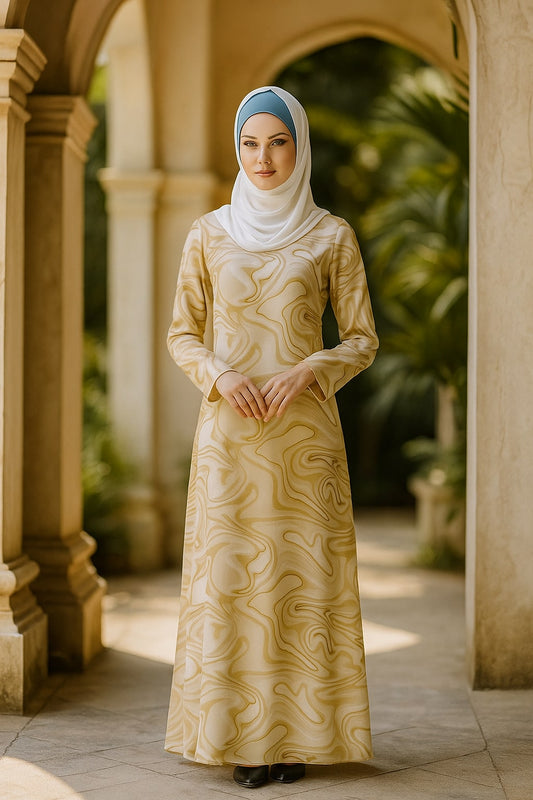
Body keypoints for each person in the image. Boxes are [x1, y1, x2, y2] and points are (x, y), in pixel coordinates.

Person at [165, 86, 378, 789]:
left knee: (299, 588)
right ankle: (241, 741)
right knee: (233, 588)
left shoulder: (331, 235)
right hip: (229, 439)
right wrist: (220, 377)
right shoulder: (207, 233)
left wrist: (313, 368)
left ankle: (296, 740)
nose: (263, 157)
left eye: (278, 142)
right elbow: (182, 334)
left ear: (298, 146)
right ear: (237, 148)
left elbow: (361, 339)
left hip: (304, 442)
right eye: (251, 143)